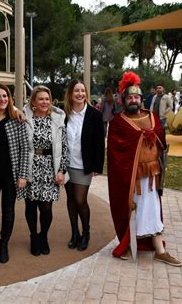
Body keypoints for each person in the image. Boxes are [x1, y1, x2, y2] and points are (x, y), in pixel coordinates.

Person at [108, 72, 181, 266]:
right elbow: (116, 153)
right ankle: (129, 244)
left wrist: (150, 137)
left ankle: (159, 250)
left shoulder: (153, 117)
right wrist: (141, 137)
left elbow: (161, 142)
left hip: (152, 176)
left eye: (136, 97)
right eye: (130, 97)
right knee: (133, 210)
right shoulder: (118, 123)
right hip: (130, 178)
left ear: (141, 99)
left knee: (153, 211)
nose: (133, 100)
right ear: (124, 100)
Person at [0, 83, 29, 263]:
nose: (2, 99)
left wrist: (23, 175)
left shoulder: (16, 121)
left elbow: (25, 148)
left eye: (5, 96)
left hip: (10, 174)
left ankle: (4, 244)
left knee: (8, 211)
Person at [23, 85, 68, 256]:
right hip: (31, 167)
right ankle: (34, 237)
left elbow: (63, 147)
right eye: (41, 99)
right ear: (34, 101)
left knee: (46, 208)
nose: (44, 102)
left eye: (47, 99)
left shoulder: (57, 120)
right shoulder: (26, 118)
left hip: (50, 167)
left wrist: (62, 170)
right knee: (31, 205)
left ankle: (43, 236)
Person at [63, 80, 105, 251]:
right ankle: (75, 233)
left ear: (86, 94)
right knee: (71, 200)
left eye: (82, 91)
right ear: (70, 94)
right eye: (76, 91)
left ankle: (86, 233)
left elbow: (99, 143)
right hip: (66, 164)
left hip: (83, 164)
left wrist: (97, 165)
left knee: (80, 200)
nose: (80, 94)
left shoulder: (94, 115)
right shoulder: (63, 114)